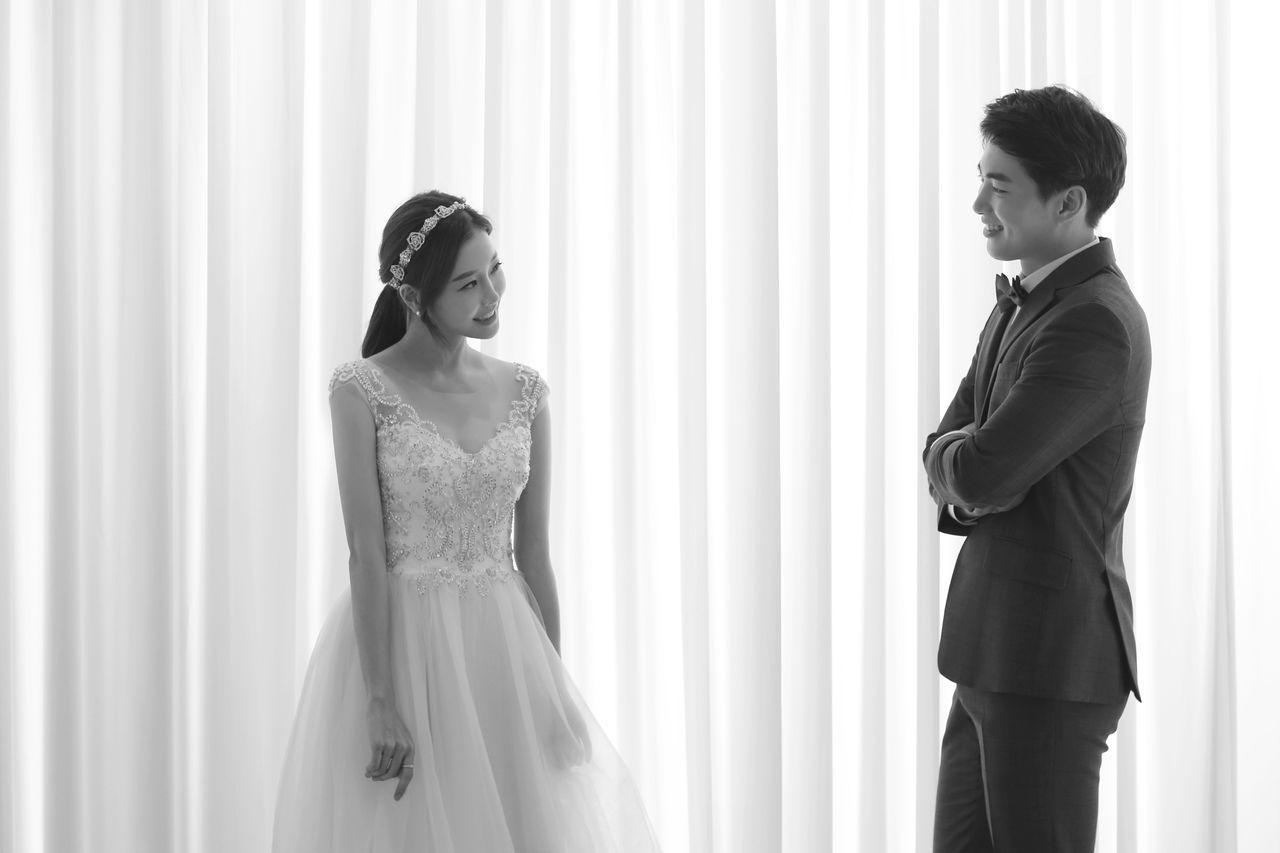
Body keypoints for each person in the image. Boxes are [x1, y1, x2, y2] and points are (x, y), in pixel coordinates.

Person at [272, 191, 661, 851]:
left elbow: (533, 554)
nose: (491, 294)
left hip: (503, 651)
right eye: (467, 283)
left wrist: (552, 688)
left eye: (494, 270)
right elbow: (366, 552)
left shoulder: (527, 392)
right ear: (415, 296)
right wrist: (380, 700)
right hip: (403, 648)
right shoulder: (360, 390)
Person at [923, 87, 1150, 851]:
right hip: (992, 653)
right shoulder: (1022, 300)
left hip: (1050, 662)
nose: (978, 205)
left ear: (1069, 202)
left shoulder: (1095, 321)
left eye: (999, 185)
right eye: (980, 179)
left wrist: (961, 464)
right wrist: (959, 461)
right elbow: (951, 443)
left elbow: (980, 471)